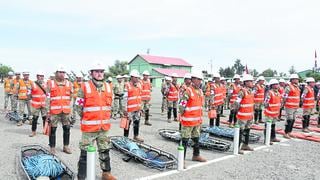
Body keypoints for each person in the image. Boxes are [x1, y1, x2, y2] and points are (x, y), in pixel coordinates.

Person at [76, 62, 116, 180]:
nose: (99, 74)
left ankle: (106, 173)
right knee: (85, 153)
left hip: (104, 127)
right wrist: (88, 118)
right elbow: (78, 106)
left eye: (101, 71)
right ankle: (81, 176)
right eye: (97, 71)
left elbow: (111, 106)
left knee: (105, 150)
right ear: (91, 73)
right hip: (89, 128)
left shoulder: (108, 87)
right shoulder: (85, 86)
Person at [179, 72, 207, 168]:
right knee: (185, 140)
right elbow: (181, 106)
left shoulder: (200, 91)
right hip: (188, 121)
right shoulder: (188, 91)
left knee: (196, 138)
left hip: (197, 121)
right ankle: (181, 160)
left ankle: (196, 155)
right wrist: (183, 116)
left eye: (200, 80)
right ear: (193, 79)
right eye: (198, 79)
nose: (199, 82)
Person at [46, 65, 73, 154]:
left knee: (67, 128)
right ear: (56, 73)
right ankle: (52, 147)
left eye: (63, 72)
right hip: (54, 111)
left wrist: (70, 109)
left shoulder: (69, 83)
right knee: (53, 129)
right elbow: (47, 98)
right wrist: (47, 111)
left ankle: (66, 146)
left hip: (65, 111)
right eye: (60, 72)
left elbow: (71, 97)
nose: (62, 74)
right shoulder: (50, 83)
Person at [235, 74, 255, 154]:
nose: (252, 83)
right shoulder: (242, 91)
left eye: (252, 81)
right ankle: (237, 147)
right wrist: (236, 111)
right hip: (242, 116)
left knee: (247, 130)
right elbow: (237, 102)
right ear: (246, 82)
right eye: (250, 81)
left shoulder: (251, 92)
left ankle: (245, 144)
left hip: (249, 115)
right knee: (240, 131)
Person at [122, 69, 144, 142]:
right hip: (129, 110)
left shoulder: (139, 85)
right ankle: (125, 138)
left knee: (137, 122)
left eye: (138, 77)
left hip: (137, 109)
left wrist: (141, 108)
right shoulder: (127, 85)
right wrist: (124, 109)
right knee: (127, 124)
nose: (137, 79)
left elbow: (140, 97)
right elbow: (125, 98)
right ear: (131, 77)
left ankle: (136, 136)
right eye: (136, 77)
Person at [282, 74, 300, 139]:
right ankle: (286, 133)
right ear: (292, 80)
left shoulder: (297, 87)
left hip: (295, 106)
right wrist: (283, 103)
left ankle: (289, 132)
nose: (297, 80)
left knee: (293, 120)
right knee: (289, 119)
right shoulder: (288, 87)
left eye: (297, 79)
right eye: (296, 79)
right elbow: (284, 96)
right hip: (289, 106)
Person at [29, 71, 47, 137]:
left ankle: (45, 130)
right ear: (37, 76)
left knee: (45, 118)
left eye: (42, 76)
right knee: (35, 118)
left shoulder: (46, 84)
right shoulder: (33, 84)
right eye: (40, 76)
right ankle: (33, 132)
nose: (41, 77)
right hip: (35, 104)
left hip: (44, 104)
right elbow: (29, 94)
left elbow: (48, 94)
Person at [263, 79, 281, 144]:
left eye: (277, 84)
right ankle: (267, 139)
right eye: (275, 84)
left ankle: (273, 137)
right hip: (269, 113)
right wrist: (267, 108)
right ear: (272, 86)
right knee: (268, 126)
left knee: (273, 125)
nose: (277, 85)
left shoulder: (278, 93)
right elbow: (266, 102)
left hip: (275, 113)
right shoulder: (269, 92)